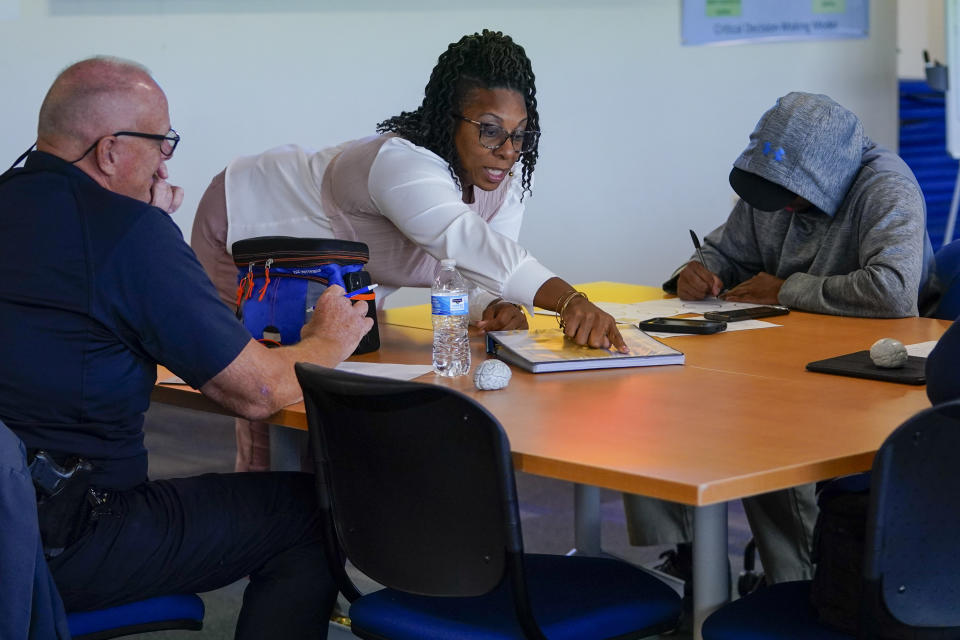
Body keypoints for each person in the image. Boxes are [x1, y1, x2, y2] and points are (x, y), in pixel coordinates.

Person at [0, 56, 373, 639]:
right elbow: (260, 390)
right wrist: (331, 337)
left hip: (15, 516)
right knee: (310, 514)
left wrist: (139, 231)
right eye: (162, 144)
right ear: (110, 151)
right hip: (70, 534)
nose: (167, 162)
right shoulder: (126, 236)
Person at [191, 29, 625, 471]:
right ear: (449, 118)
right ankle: (274, 519)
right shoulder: (403, 164)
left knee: (337, 395)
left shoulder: (503, 184)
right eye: (490, 131)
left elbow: (482, 272)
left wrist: (496, 304)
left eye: (519, 135)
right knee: (272, 395)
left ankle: (335, 524)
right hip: (251, 228)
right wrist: (570, 300)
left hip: (338, 269)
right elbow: (466, 241)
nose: (507, 152)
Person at [624, 91, 940, 587]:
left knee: (762, 435)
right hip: (786, 342)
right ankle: (688, 555)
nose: (781, 209)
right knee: (659, 396)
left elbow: (895, 293)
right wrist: (699, 269)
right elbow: (728, 250)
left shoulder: (887, 188)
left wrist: (786, 288)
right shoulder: (769, 187)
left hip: (871, 359)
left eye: (791, 198)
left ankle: (800, 584)